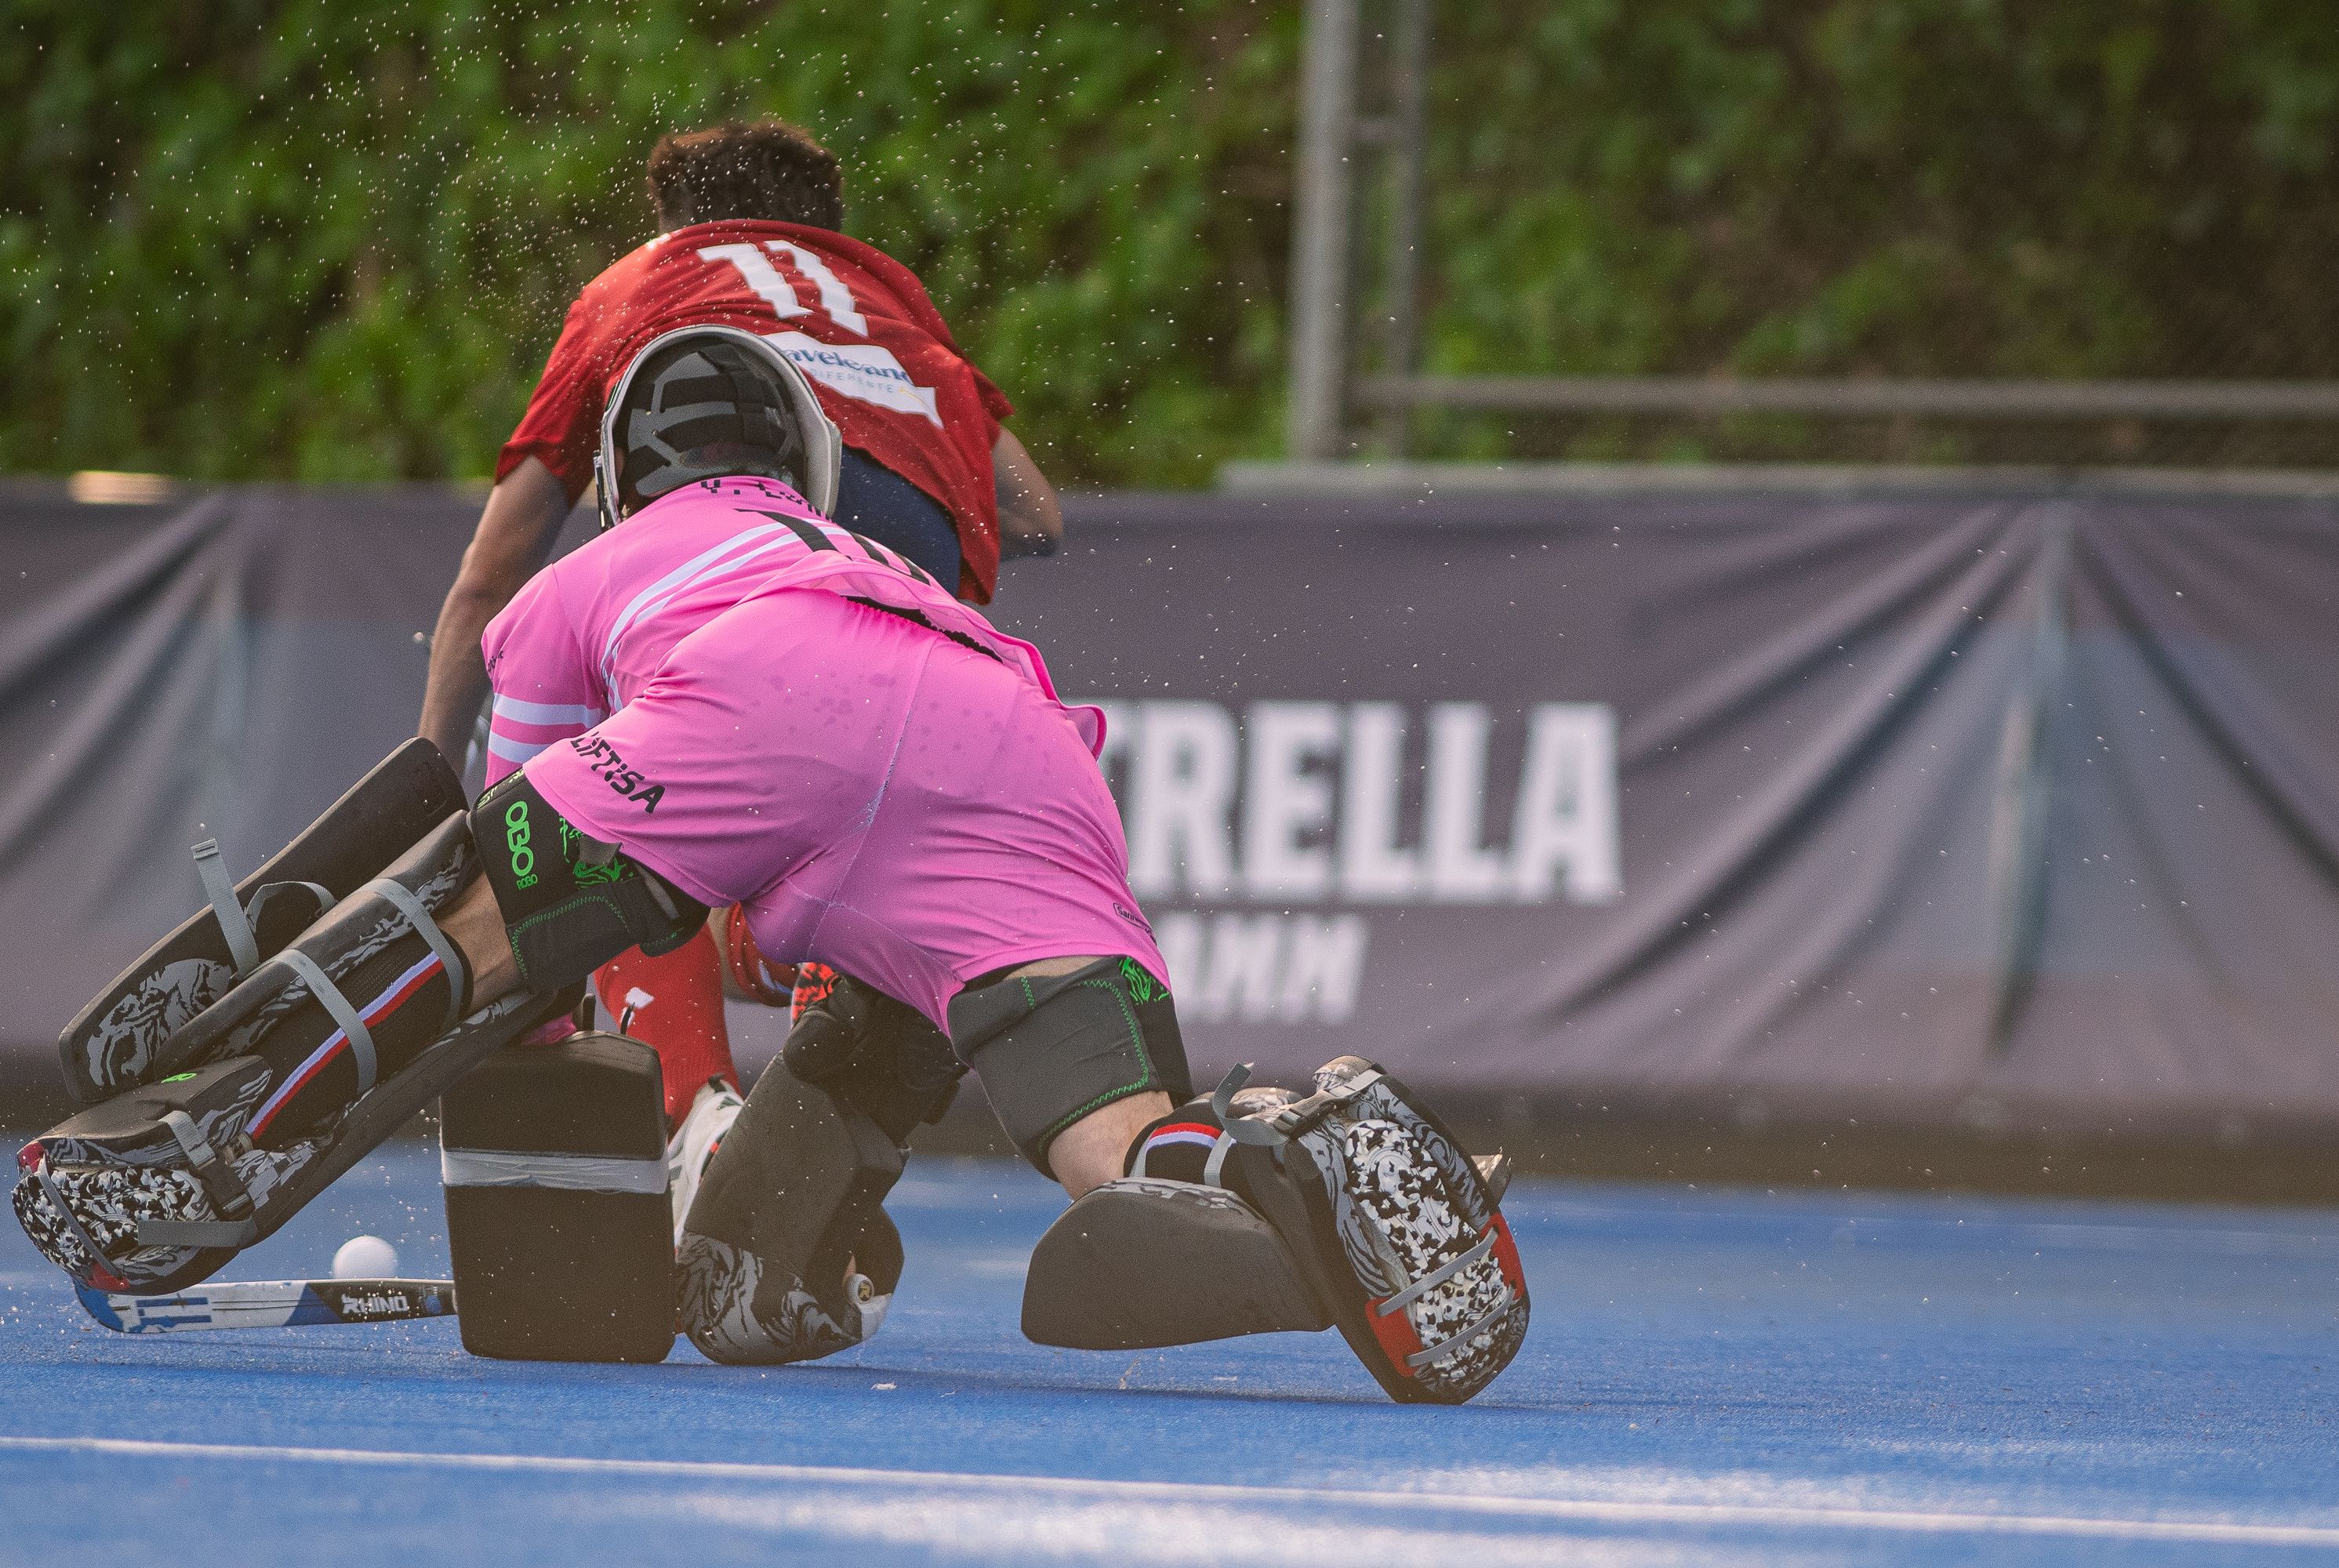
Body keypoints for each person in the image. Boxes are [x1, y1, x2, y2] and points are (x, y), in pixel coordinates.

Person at [15, 328, 1528, 1404]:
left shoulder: (589, 575)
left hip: (761, 702)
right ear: (804, 462)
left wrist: (564, 1085)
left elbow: (522, 900)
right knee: (1094, 1161)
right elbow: (804, 820)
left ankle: (186, 1170)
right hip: (1025, 748)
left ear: (622, 475)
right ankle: (1298, 1156)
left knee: (468, 927)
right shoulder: (864, 556)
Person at [416, 119, 1065, 1200]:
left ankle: (694, 1116)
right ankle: (814, 1053)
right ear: (828, 230)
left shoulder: (646, 279)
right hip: (912, 614)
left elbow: (493, 577)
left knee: (623, 792)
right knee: (851, 832)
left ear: (680, 223)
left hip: (744, 535)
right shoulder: (893, 300)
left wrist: (431, 800)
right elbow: (1037, 516)